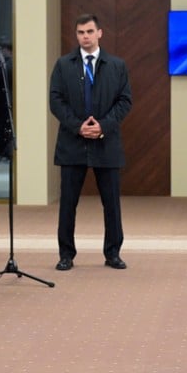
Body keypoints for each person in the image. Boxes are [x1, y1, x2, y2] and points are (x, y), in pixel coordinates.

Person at [49, 14, 132, 271]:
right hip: (72, 142)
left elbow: (125, 101)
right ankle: (66, 254)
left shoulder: (116, 65)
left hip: (106, 143)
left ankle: (113, 253)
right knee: (68, 203)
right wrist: (78, 126)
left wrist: (103, 126)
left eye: (89, 31)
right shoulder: (64, 65)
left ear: (99, 33)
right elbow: (56, 100)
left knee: (111, 203)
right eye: (80, 32)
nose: (85, 36)